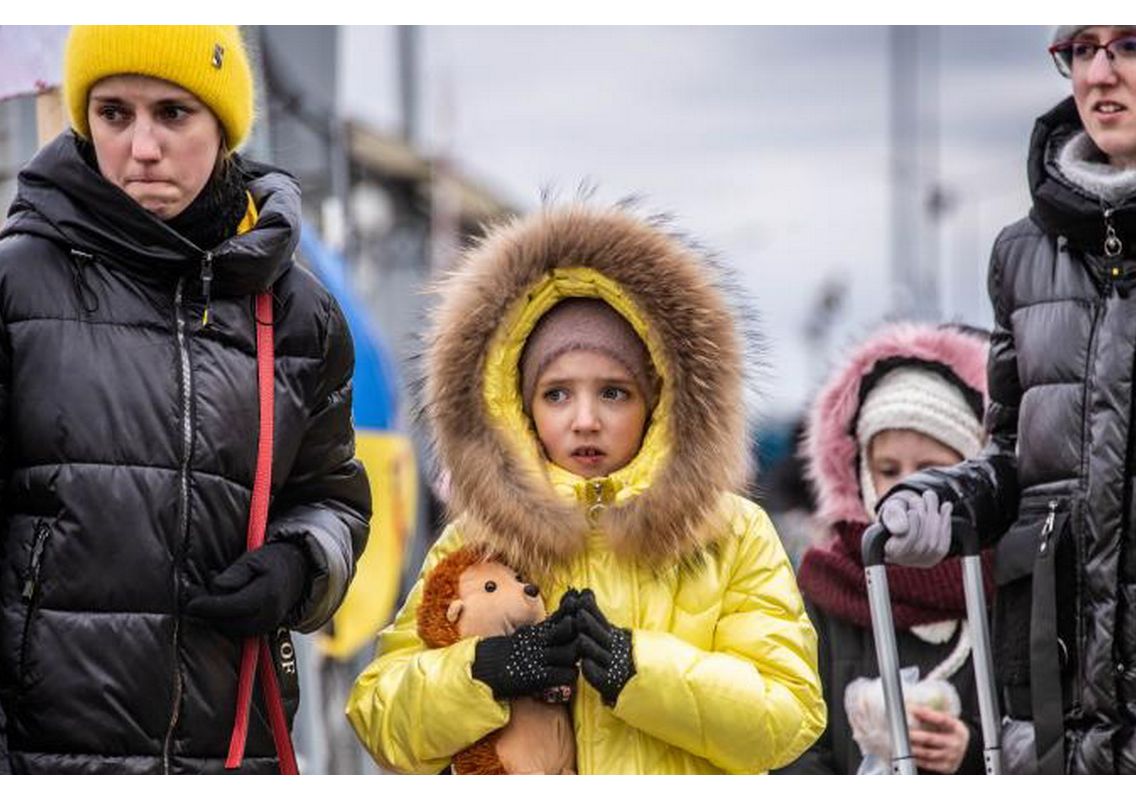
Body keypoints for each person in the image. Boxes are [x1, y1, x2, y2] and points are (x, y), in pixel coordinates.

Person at [0, 26, 371, 773]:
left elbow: (335, 500)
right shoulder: (14, 287)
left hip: (235, 753)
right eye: (113, 114)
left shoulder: (301, 314)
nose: (142, 147)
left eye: (173, 113)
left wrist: (300, 566)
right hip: (40, 758)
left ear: (224, 126)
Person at [346, 204, 826, 774]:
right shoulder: (477, 540)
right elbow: (380, 718)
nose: (585, 420)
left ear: (660, 399)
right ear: (517, 405)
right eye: (556, 394)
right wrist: (485, 671)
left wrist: (639, 669)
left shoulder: (733, 535)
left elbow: (789, 715)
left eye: (614, 393)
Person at [876, 26, 1136, 773]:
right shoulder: (1022, 252)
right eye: (1080, 49)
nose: (1098, 73)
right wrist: (943, 500)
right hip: (1051, 737)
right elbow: (1016, 460)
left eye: (1134, 45)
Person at [779, 323, 991, 774]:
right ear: (861, 475)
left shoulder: (1005, 580)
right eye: (889, 469)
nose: (907, 487)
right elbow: (789, 738)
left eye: (932, 468)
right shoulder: (827, 587)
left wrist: (972, 751)